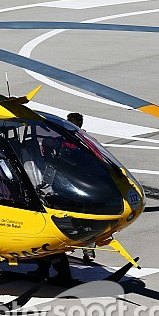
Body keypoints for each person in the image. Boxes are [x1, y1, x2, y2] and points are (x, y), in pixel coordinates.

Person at [66, 112, 96, 262]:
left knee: (68, 217)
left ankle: (68, 247)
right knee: (87, 220)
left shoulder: (63, 140)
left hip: (68, 185)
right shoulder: (89, 141)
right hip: (86, 186)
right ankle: (89, 251)